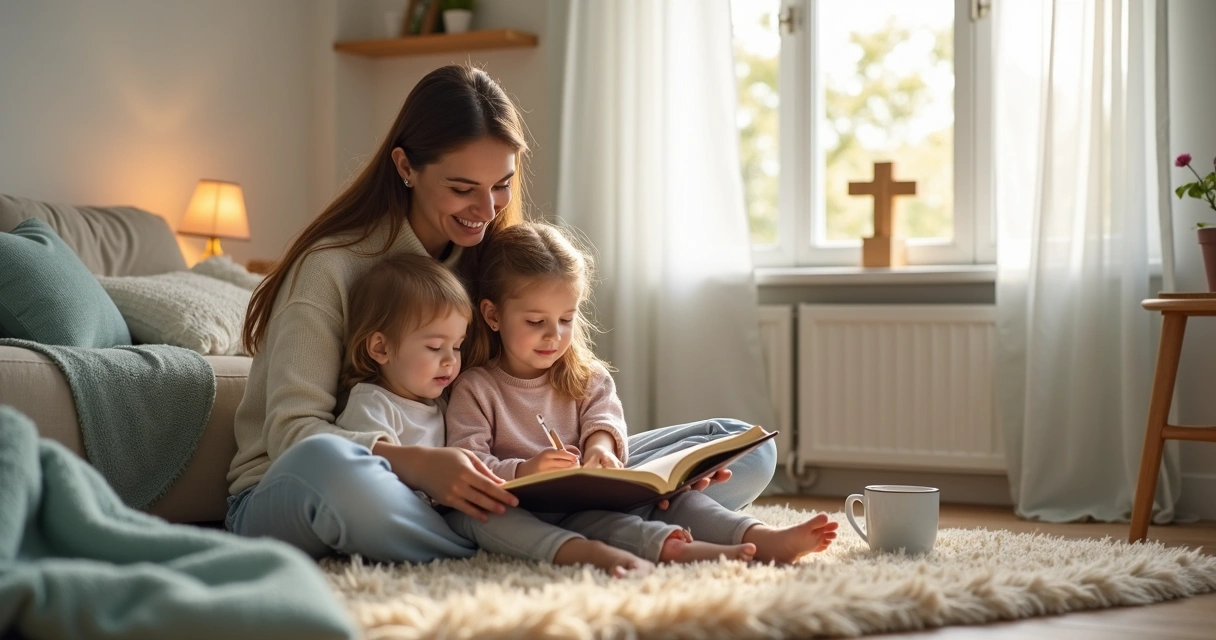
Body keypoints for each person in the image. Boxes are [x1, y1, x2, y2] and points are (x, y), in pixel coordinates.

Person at [223, 64, 777, 563]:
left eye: (501, 186)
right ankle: (530, 533)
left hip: (488, 480)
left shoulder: (487, 260)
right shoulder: (331, 269)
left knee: (741, 445)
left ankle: (546, 521)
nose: (487, 210)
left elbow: (553, 372)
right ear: (406, 167)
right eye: (463, 188)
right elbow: (296, 436)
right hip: (311, 488)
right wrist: (415, 464)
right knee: (333, 470)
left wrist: (612, 463)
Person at [445, 222, 838, 574]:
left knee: (713, 474)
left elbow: (604, 420)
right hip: (538, 511)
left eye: (566, 319)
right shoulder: (476, 389)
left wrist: (601, 450)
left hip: (606, 490)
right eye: (536, 322)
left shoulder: (586, 375)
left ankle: (765, 538)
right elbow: (469, 463)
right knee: (603, 523)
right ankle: (681, 550)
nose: (554, 336)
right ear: (493, 315)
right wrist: (527, 471)